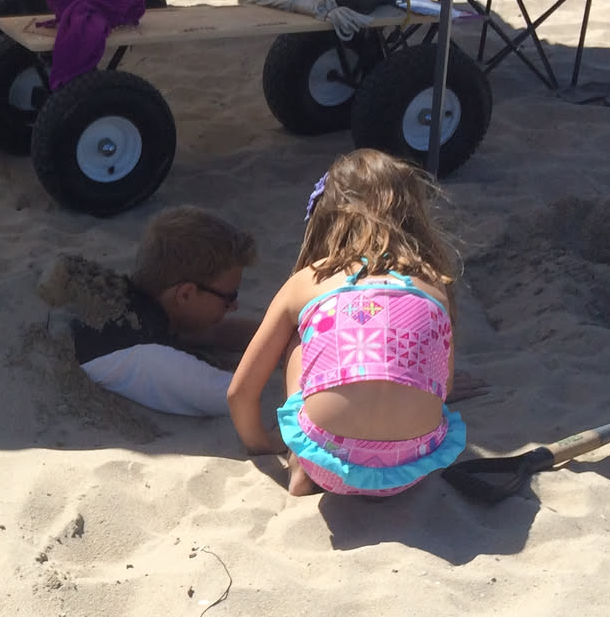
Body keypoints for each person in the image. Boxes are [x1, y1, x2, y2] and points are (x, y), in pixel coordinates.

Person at [226, 150, 467, 497]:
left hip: (326, 460)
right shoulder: (432, 280)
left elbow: (240, 392)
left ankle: (300, 465)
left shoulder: (308, 279)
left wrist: (260, 445)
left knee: (301, 336)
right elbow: (444, 383)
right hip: (413, 465)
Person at [42, 206, 259, 417]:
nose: (234, 306)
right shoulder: (150, 354)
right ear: (185, 294)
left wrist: (277, 335)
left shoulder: (128, 298)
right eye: (229, 297)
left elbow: (214, 333)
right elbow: (235, 395)